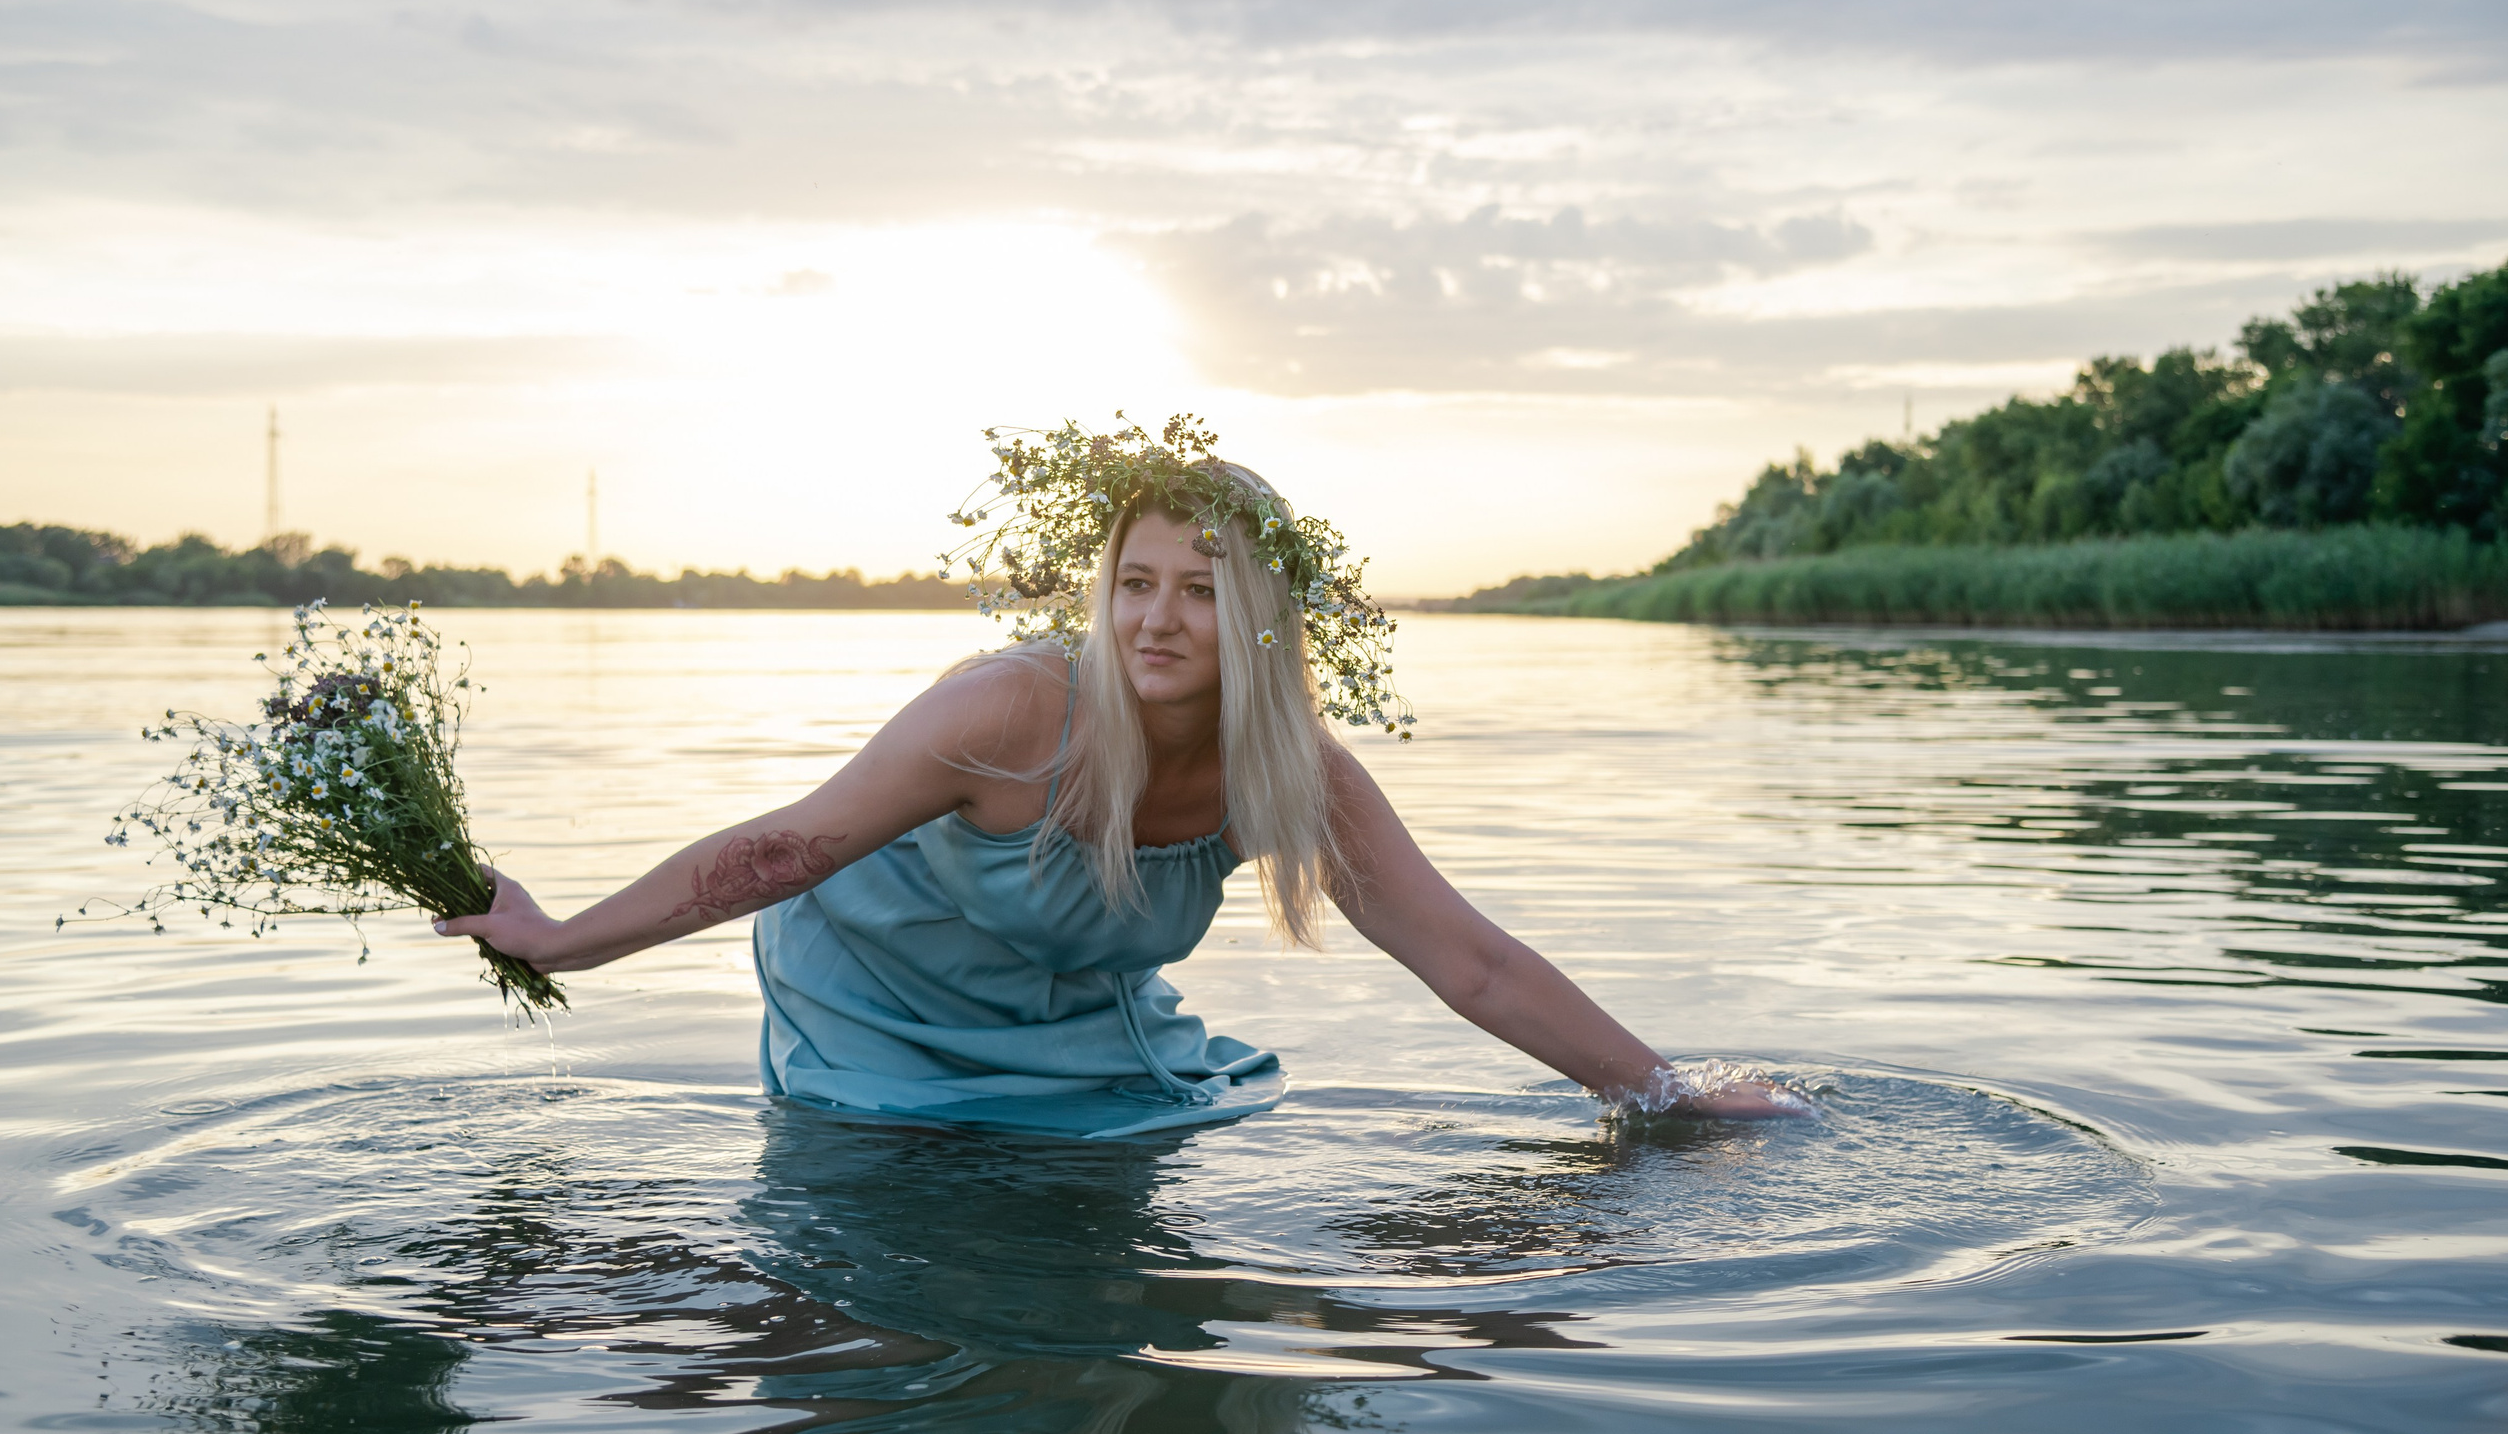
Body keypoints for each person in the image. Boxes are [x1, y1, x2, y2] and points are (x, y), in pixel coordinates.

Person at [440, 419, 1806, 1135]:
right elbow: (783, 853)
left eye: (1201, 591)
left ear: (1264, 613)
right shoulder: (1010, 712)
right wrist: (559, 941)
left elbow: (1473, 964)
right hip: (877, 1004)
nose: (1156, 618)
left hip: (1063, 1018)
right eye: (1134, 583)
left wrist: (1659, 1092)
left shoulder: (1293, 775)